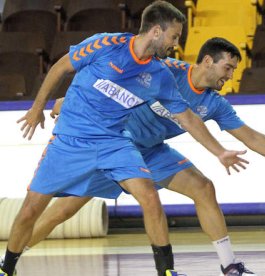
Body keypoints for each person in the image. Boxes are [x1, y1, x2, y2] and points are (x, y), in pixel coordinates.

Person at [2, 37, 265, 276]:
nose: (229, 76)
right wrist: (63, 103)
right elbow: (107, 78)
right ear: (207, 61)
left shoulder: (214, 103)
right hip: (115, 142)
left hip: (153, 152)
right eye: (227, 67)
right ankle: (10, 262)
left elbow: (251, 136)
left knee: (203, 188)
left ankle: (229, 266)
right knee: (62, 212)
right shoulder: (166, 70)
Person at [0, 2, 249, 276]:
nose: (177, 44)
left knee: (150, 197)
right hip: (71, 141)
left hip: (115, 142)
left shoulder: (160, 75)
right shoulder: (105, 45)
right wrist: (38, 109)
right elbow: (60, 68)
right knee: (33, 211)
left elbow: (188, 118)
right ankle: (6, 267)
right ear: (156, 31)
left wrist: (219, 151)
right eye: (174, 37)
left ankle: (167, 271)